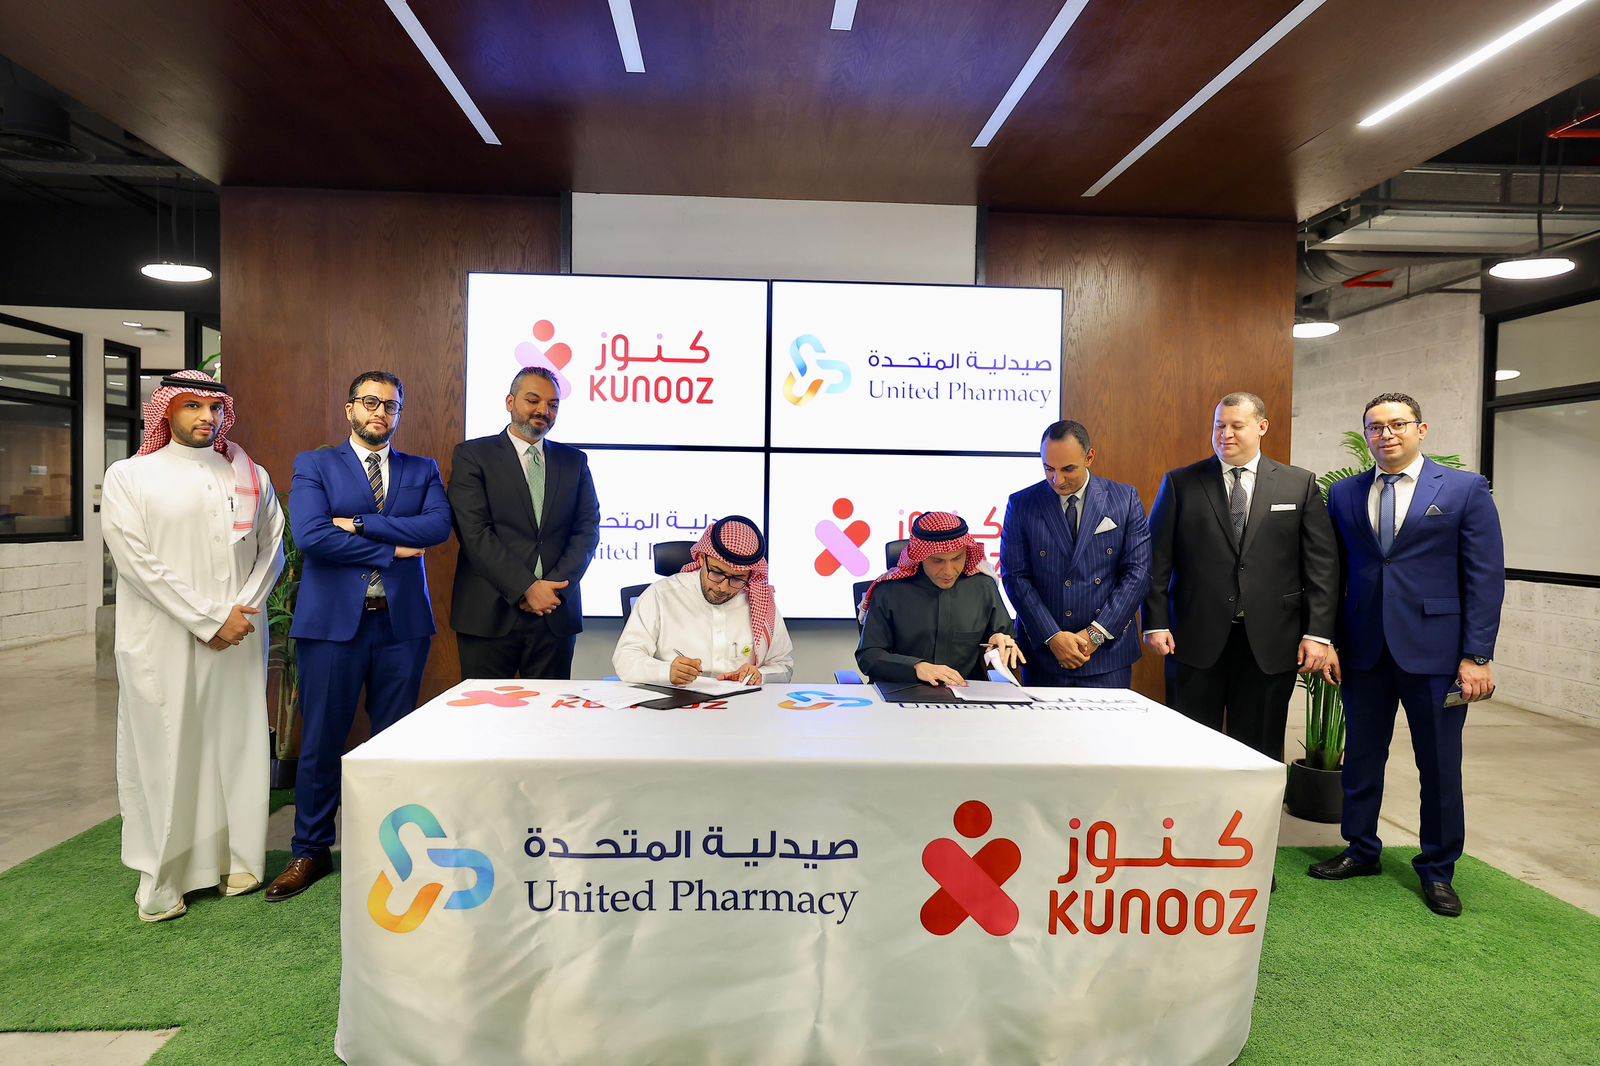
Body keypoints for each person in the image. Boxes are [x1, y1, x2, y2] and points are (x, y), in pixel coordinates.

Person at [1309, 393, 1503, 919]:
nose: (1386, 434)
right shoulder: (1344, 494)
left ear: (1422, 429)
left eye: (1397, 424)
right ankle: (1360, 849)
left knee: (1438, 765)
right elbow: (1334, 573)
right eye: (1375, 427)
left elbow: (1484, 577)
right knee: (1362, 757)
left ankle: (1437, 869)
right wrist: (1328, 640)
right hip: (1364, 649)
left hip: (1437, 653)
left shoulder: (1464, 489)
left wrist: (1477, 655)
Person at [101, 370, 285, 921]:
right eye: (192, 406)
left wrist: (240, 613)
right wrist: (209, 619)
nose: (207, 417)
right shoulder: (130, 476)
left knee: (237, 742)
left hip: (240, 635)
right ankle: (163, 879)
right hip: (162, 637)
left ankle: (240, 859)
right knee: (167, 747)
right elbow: (135, 562)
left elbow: (272, 548)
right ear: (165, 411)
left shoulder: (249, 474)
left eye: (215, 408)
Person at [266, 371, 452, 903]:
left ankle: (383, 850)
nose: (380, 412)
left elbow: (436, 529)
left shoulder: (421, 469)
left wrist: (360, 524)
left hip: (401, 626)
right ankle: (310, 850)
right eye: (370, 402)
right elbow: (312, 536)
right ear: (349, 409)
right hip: (331, 627)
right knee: (322, 741)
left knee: (394, 743)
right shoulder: (316, 465)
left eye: (390, 405)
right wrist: (392, 549)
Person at [1142, 391, 1338, 760]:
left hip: (1270, 642)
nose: (1225, 434)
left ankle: (1255, 803)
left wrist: (1317, 634)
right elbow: (1156, 560)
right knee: (1189, 749)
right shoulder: (1181, 483)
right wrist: (1155, 622)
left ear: (1262, 427)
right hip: (1194, 639)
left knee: (1259, 750)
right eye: (1219, 425)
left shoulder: (1298, 484)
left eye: (1236, 426)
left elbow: (1321, 565)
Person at [450, 366, 601, 679]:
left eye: (553, 404)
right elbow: (474, 533)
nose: (543, 410)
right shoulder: (473, 455)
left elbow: (587, 531)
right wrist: (526, 588)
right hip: (488, 613)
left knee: (551, 711)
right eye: (533, 400)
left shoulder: (574, 461)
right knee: (486, 708)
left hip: (554, 613)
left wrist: (551, 591)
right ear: (510, 402)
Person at [1000, 420, 1151, 688]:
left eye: (1068, 469)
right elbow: (1015, 576)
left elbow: (1137, 574)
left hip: (1107, 655)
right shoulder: (1022, 504)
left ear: (1089, 457)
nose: (1057, 480)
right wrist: (1053, 637)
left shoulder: (1124, 499)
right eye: (1049, 469)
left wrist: (1095, 635)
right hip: (1046, 655)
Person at [613, 515, 795, 685]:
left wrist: (760, 674)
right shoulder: (661, 594)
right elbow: (625, 657)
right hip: (678, 701)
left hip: (742, 703)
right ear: (701, 559)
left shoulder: (761, 602)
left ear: (750, 575)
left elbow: (783, 666)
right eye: (717, 572)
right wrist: (666, 671)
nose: (723, 587)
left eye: (737, 579)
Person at [855, 511, 1023, 686]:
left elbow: (1005, 641)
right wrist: (915, 667)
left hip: (966, 693)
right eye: (937, 561)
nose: (949, 571)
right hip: (902, 691)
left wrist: (1000, 645)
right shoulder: (888, 591)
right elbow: (868, 656)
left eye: (957, 558)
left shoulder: (983, 587)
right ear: (920, 556)